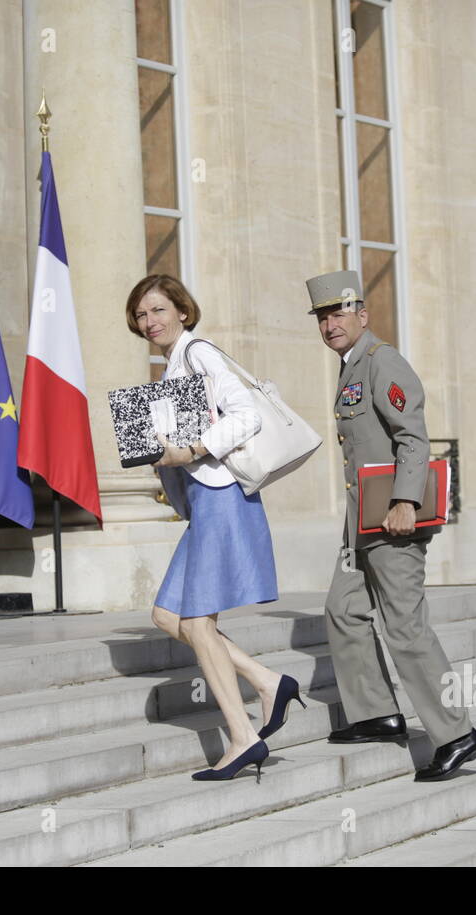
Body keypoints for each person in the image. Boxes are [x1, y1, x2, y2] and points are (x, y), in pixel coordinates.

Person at [306, 269, 476, 781]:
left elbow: (413, 438)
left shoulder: (383, 362)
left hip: (393, 522)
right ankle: (377, 714)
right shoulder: (350, 368)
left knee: (406, 628)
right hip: (360, 524)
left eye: (338, 312)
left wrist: (406, 501)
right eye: (322, 316)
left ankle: (456, 734)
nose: (330, 323)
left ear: (362, 314)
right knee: (342, 609)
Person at [126, 274, 302, 782]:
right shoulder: (170, 371)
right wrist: (159, 456)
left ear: (182, 310)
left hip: (222, 495)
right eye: (141, 315)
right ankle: (268, 681)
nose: (150, 321)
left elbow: (245, 415)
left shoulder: (200, 353)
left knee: (198, 622)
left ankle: (243, 738)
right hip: (203, 501)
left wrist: (193, 449)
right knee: (167, 616)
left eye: (158, 310)